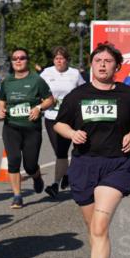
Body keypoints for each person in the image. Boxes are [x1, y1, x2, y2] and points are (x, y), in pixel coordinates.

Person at [54, 42, 130, 258]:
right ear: (91, 65)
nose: (102, 65)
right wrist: (71, 134)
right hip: (84, 164)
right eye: (98, 61)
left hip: (116, 164)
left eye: (107, 61)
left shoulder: (128, 95)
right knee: (93, 228)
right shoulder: (78, 95)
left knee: (100, 227)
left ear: (117, 66)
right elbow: (59, 122)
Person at [0, 47, 54, 208]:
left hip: (31, 128)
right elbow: (2, 99)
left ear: (27, 61)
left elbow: (50, 100)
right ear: (11, 61)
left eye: (22, 58)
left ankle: (36, 176)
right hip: (11, 127)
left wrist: (39, 108)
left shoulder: (36, 80)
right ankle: (17, 196)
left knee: (30, 165)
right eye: (15, 58)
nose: (18, 60)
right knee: (14, 160)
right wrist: (1, 109)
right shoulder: (7, 81)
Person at [40, 46, 85, 198]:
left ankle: (55, 183)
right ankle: (64, 176)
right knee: (60, 152)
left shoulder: (74, 74)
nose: (59, 61)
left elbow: (84, 90)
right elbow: (38, 91)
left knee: (68, 151)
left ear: (67, 60)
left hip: (70, 119)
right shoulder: (46, 73)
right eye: (56, 58)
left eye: (62, 58)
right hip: (52, 117)